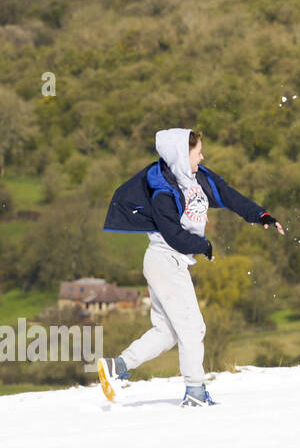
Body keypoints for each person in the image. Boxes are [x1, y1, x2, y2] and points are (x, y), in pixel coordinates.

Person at [100, 128, 285, 405]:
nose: (203, 156)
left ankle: (118, 366)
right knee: (193, 329)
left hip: (172, 263)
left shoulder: (198, 180)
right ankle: (195, 392)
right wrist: (204, 246)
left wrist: (261, 215)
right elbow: (175, 236)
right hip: (165, 261)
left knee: (168, 333)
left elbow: (229, 195)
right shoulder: (162, 191)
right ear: (181, 156)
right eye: (197, 152)